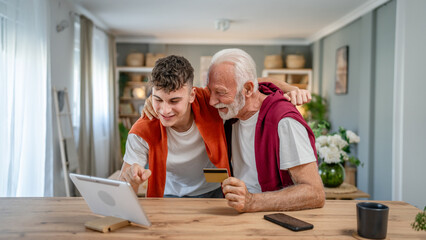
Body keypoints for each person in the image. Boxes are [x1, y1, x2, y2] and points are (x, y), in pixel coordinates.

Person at [122, 54, 311, 198]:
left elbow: (250, 83)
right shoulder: (142, 129)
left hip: (216, 191)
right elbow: (124, 185)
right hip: (170, 194)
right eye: (158, 99)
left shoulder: (210, 102)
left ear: (192, 95)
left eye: (174, 100)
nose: (165, 110)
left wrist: (292, 89)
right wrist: (131, 179)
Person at [207, 48, 325, 212]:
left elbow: (314, 193)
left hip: (273, 216)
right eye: (210, 91)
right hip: (233, 209)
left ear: (248, 90)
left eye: (220, 92)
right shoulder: (232, 111)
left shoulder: (285, 122)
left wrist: (252, 202)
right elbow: (259, 81)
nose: (212, 102)